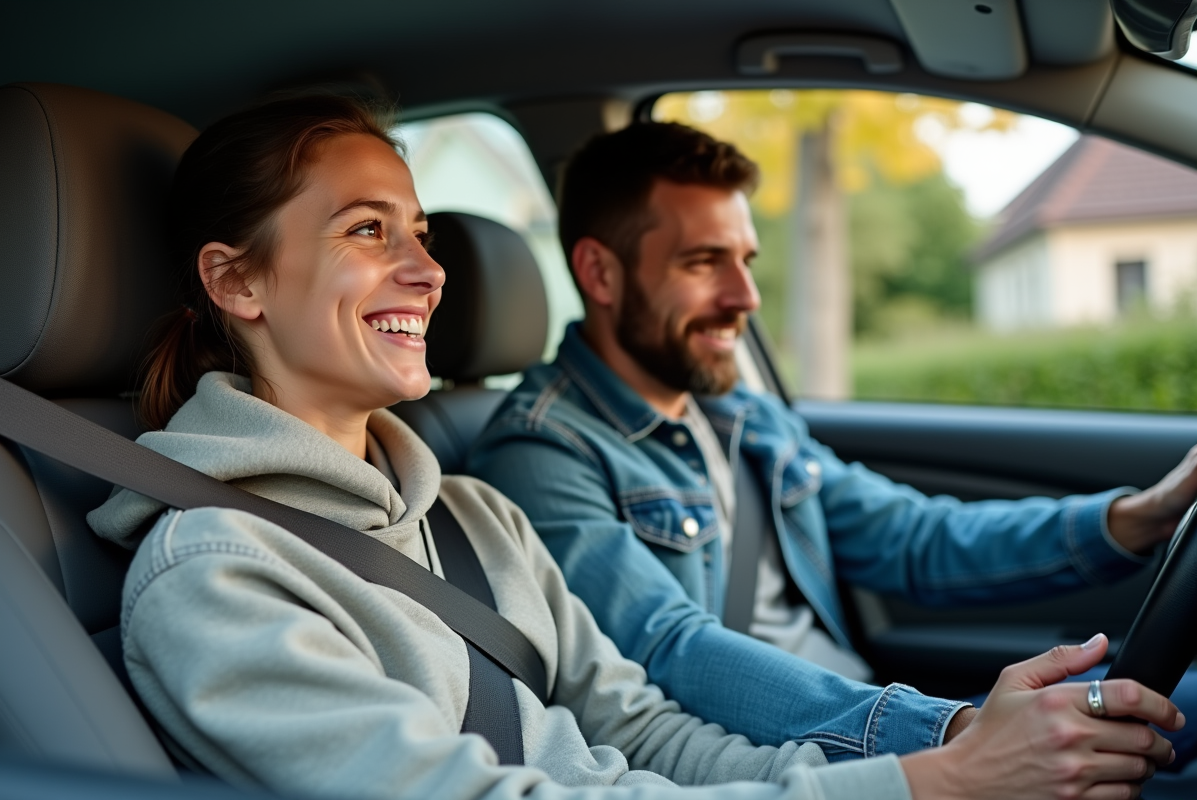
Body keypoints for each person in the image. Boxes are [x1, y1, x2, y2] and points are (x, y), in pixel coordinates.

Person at [87, 94, 1180, 800]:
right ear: (236, 281)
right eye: (369, 231)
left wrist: (931, 766)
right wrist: (936, 775)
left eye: (421, 233)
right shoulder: (217, 573)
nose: (429, 269)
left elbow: (646, 728)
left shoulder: (474, 515)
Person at [467, 121, 1197, 770]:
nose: (746, 296)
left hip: (882, 725)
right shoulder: (539, 452)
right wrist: (955, 734)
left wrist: (1143, 516)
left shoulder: (738, 412)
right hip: (810, 767)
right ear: (599, 272)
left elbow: (911, 538)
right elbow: (670, 648)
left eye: (746, 259)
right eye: (703, 263)